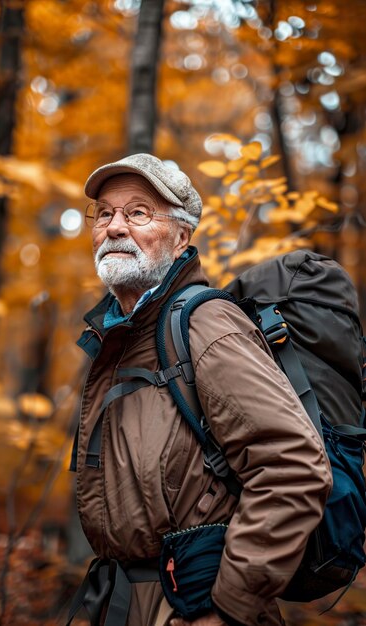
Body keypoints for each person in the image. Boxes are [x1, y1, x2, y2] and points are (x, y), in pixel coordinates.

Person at [69, 153, 332, 626]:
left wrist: (227, 606)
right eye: (104, 212)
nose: (113, 227)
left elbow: (294, 466)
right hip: (127, 601)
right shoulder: (123, 336)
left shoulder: (206, 325)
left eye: (138, 212)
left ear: (182, 236)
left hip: (193, 606)